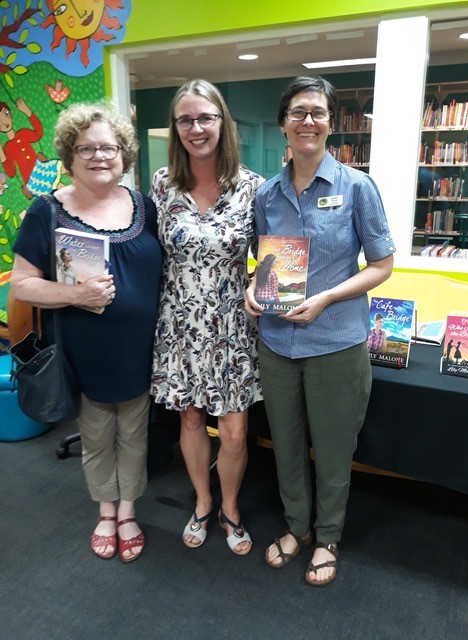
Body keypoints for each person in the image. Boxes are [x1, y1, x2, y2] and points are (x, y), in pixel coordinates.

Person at [245, 75, 395, 586]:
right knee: (285, 445)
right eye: (298, 112)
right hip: (277, 342)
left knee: (332, 449)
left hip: (335, 341)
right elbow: (263, 262)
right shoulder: (266, 194)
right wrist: (252, 288)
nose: (308, 121)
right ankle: (296, 527)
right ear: (283, 124)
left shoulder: (357, 187)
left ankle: (327, 537)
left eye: (318, 112)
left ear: (331, 123)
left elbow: (382, 265)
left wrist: (327, 297)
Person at [10, 103, 163, 563]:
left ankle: (128, 511)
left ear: (124, 154)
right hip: (85, 351)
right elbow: (21, 286)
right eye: (87, 148)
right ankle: (105, 511)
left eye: (109, 148)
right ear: (70, 155)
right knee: (96, 435)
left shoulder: (144, 206)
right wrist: (75, 295)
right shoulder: (47, 211)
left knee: (135, 433)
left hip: (140, 349)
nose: (100, 156)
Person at [150, 79, 263, 555]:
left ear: (223, 123)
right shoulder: (162, 184)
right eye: (186, 120)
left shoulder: (253, 187)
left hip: (231, 326)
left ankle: (229, 508)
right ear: (176, 127)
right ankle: (202, 501)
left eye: (205, 118)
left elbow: (273, 257)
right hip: (179, 323)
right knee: (192, 418)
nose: (196, 128)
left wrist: (259, 283)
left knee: (234, 430)